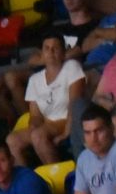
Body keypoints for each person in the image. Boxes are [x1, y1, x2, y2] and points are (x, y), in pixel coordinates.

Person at [10, 34, 87, 168]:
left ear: (63, 52)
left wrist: (67, 131)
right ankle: (25, 177)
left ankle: (57, 176)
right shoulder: (34, 79)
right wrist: (34, 126)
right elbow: (35, 115)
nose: (51, 52)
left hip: (67, 120)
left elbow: (74, 103)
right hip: (48, 124)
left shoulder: (71, 67)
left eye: (55, 48)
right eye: (47, 48)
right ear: (42, 53)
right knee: (12, 140)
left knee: (38, 136)